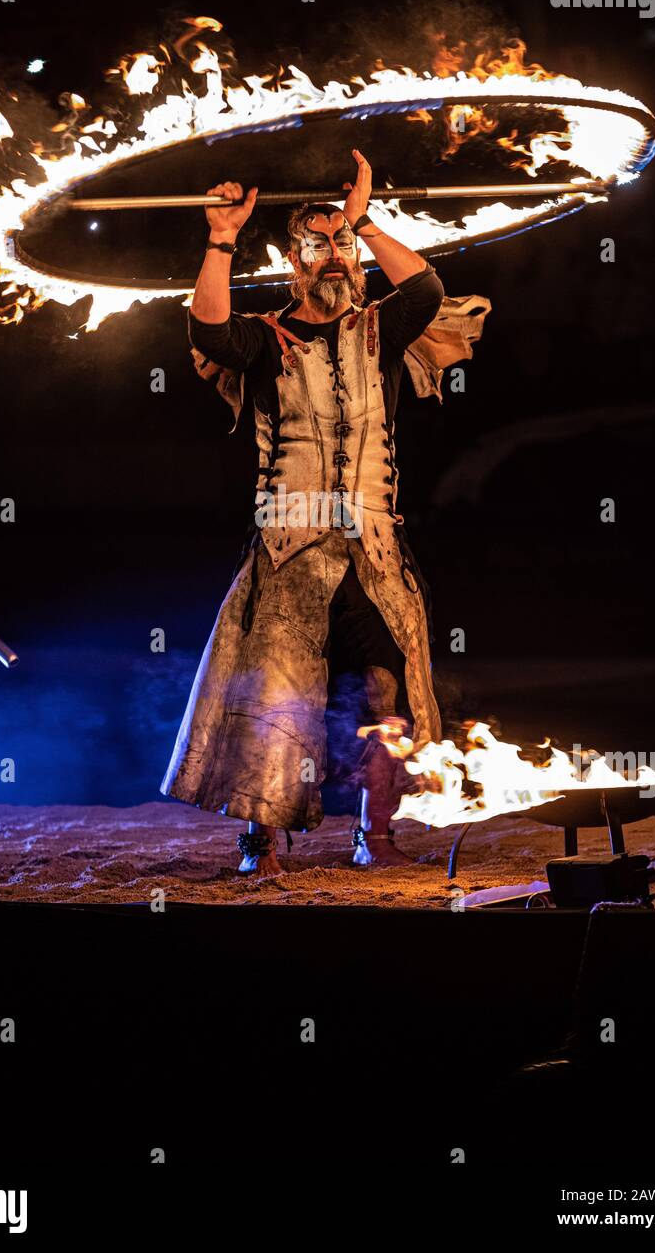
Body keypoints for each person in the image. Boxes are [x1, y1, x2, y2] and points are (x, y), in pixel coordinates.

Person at [161, 148, 490, 874]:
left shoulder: (382, 329)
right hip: (289, 552)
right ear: (292, 258)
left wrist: (364, 219)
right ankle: (261, 844)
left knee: (388, 703)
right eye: (320, 244)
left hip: (373, 551)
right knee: (274, 705)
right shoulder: (264, 336)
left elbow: (428, 287)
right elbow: (209, 331)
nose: (334, 256)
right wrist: (221, 238)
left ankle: (379, 835)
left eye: (341, 243)